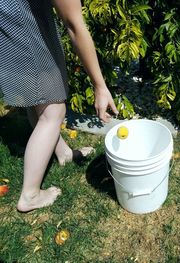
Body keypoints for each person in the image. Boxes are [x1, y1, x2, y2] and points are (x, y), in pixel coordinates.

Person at [0, 0, 118, 212]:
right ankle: (30, 195)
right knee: (53, 112)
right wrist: (100, 86)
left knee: (39, 101)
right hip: (24, 33)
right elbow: (74, 25)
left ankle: (63, 153)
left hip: (11, 27)